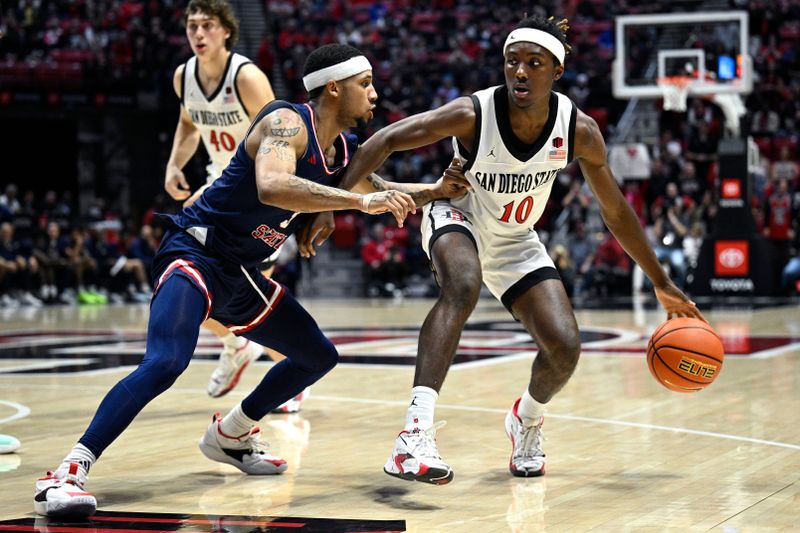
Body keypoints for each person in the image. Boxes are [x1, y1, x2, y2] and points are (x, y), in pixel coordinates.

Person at [33, 43, 465, 518]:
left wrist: (436, 192)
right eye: (366, 84)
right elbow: (273, 185)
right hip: (197, 253)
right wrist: (357, 205)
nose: (375, 94)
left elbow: (380, 191)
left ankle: (233, 433)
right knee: (166, 361)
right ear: (334, 88)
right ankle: (68, 471)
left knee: (316, 356)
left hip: (242, 273)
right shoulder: (286, 122)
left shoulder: (342, 149)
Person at [339, 15, 704, 485]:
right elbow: (386, 139)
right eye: (512, 62)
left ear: (557, 71)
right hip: (459, 217)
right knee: (463, 286)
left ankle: (525, 420)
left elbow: (615, 211)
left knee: (565, 347)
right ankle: (413, 435)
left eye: (534, 63)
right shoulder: (474, 113)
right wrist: (336, 205)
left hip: (516, 240)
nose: (521, 72)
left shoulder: (579, 130)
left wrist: (661, 282)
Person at [164, 0, 301, 407]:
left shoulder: (246, 77)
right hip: (217, 190)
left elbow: (285, 135)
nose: (199, 34)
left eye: (207, 25)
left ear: (226, 30)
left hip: (257, 196)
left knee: (241, 298)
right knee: (190, 283)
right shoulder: (183, 76)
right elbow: (189, 123)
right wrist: (174, 163)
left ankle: (283, 366)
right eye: (192, 26)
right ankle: (259, 355)